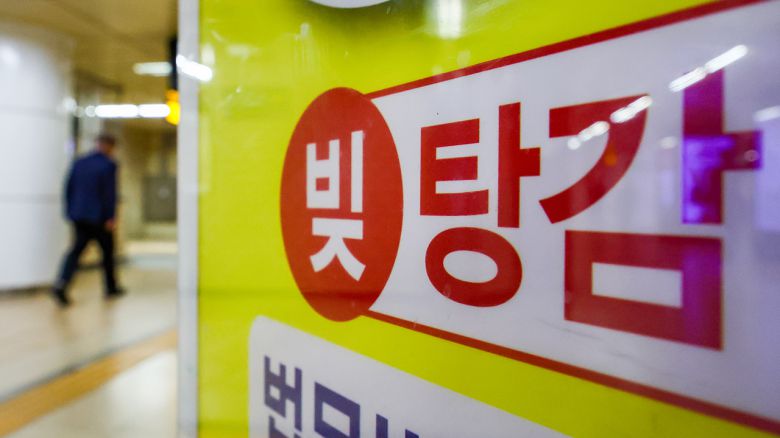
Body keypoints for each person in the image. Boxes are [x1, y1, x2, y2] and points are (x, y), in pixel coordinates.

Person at [52, 134, 124, 306]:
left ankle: (62, 283)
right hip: (99, 217)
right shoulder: (108, 165)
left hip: (79, 215)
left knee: (76, 251)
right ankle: (111, 287)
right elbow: (109, 193)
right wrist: (111, 216)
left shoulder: (80, 162)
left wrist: (70, 211)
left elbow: (68, 188)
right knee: (107, 252)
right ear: (110, 146)